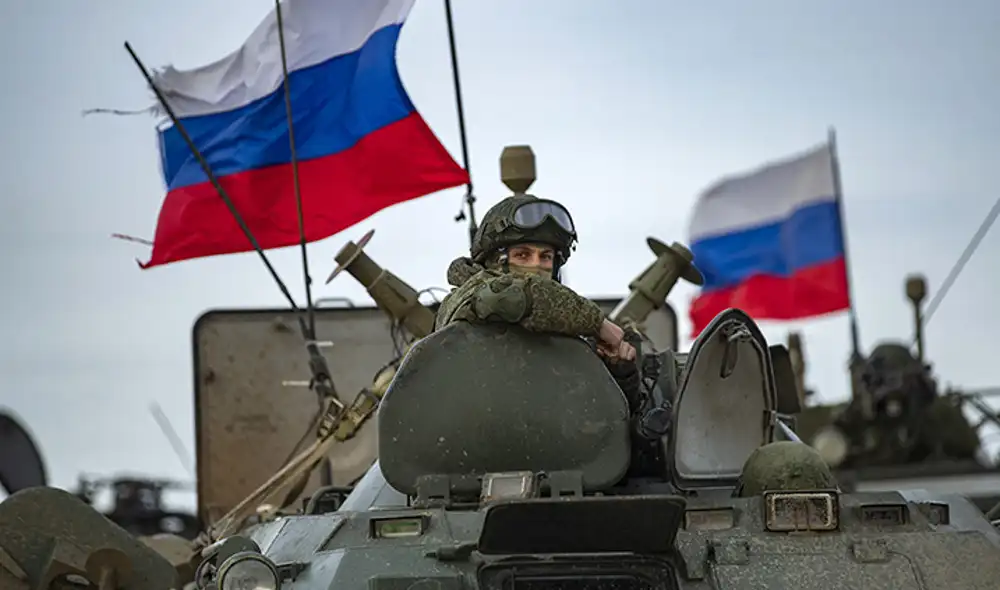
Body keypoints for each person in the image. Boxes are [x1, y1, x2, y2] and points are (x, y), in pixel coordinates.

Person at [435, 194, 642, 405]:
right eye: (522, 255)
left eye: (546, 256)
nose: (537, 265)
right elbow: (514, 296)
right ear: (494, 261)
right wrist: (598, 323)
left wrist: (619, 371)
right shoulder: (469, 296)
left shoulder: (564, 326)